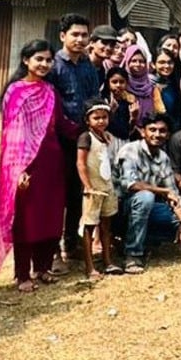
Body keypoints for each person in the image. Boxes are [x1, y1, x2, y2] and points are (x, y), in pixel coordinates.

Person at [0, 40, 78, 292]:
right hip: (25, 165)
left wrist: (92, 127)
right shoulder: (15, 92)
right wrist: (18, 171)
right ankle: (22, 274)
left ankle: (42, 268)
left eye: (48, 60)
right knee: (26, 220)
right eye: (39, 59)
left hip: (52, 162)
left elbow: (62, 125)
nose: (44, 64)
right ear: (25, 60)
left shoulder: (51, 91)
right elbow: (12, 135)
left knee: (50, 216)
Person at [50, 13, 101, 268]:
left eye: (84, 35)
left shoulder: (88, 67)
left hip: (83, 139)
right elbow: (49, 106)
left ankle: (71, 245)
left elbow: (94, 101)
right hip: (58, 140)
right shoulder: (53, 66)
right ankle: (53, 252)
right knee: (56, 196)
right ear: (63, 36)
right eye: (75, 34)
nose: (80, 40)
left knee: (78, 193)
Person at [117, 113, 181, 274]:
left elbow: (173, 194)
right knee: (146, 196)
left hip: (147, 209)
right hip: (120, 210)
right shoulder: (130, 150)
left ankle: (144, 241)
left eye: (162, 131)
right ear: (143, 131)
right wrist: (163, 191)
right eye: (152, 130)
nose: (157, 135)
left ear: (168, 135)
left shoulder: (163, 157)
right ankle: (133, 254)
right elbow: (129, 185)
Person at [75, 99, 121, 279]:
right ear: (88, 120)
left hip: (107, 186)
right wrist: (87, 186)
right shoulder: (86, 137)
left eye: (104, 117)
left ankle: (108, 261)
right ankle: (90, 267)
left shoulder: (106, 136)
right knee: (89, 225)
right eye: (96, 118)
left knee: (106, 224)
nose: (101, 121)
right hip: (93, 188)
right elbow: (81, 163)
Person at [151, 49, 181, 130]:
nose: (166, 66)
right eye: (162, 62)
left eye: (170, 62)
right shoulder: (148, 85)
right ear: (153, 64)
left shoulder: (175, 84)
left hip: (174, 132)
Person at [102, 68, 138, 141]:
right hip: (107, 140)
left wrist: (133, 118)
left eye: (122, 82)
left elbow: (128, 131)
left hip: (124, 141)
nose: (118, 85)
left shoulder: (129, 102)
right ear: (108, 84)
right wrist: (110, 112)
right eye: (114, 82)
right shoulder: (103, 101)